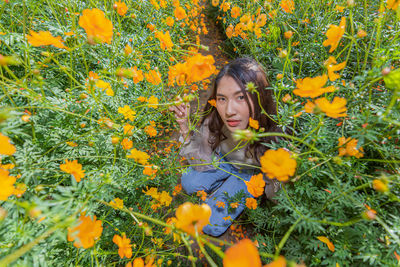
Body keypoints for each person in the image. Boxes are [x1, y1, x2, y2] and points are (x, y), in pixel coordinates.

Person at [169, 57, 282, 237]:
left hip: (250, 175)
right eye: (222, 98)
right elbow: (201, 159)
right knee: (189, 182)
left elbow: (274, 196)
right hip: (223, 160)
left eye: (241, 97)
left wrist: (282, 176)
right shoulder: (215, 119)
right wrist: (184, 126)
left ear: (259, 96)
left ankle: (229, 188)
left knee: (211, 225)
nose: (229, 110)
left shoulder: (275, 136)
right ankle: (223, 184)